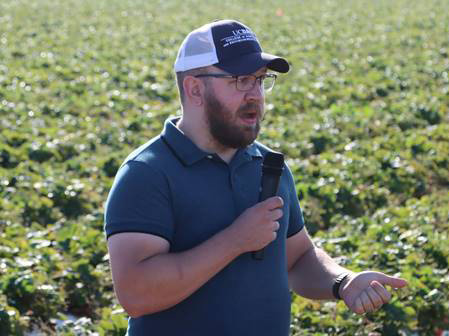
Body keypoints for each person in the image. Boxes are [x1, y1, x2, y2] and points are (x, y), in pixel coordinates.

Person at [104, 19, 408, 335]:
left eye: (261, 80)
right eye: (240, 80)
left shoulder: (266, 165)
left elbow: (298, 258)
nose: (256, 95)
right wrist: (235, 240)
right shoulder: (147, 173)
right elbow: (136, 295)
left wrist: (343, 281)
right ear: (195, 88)